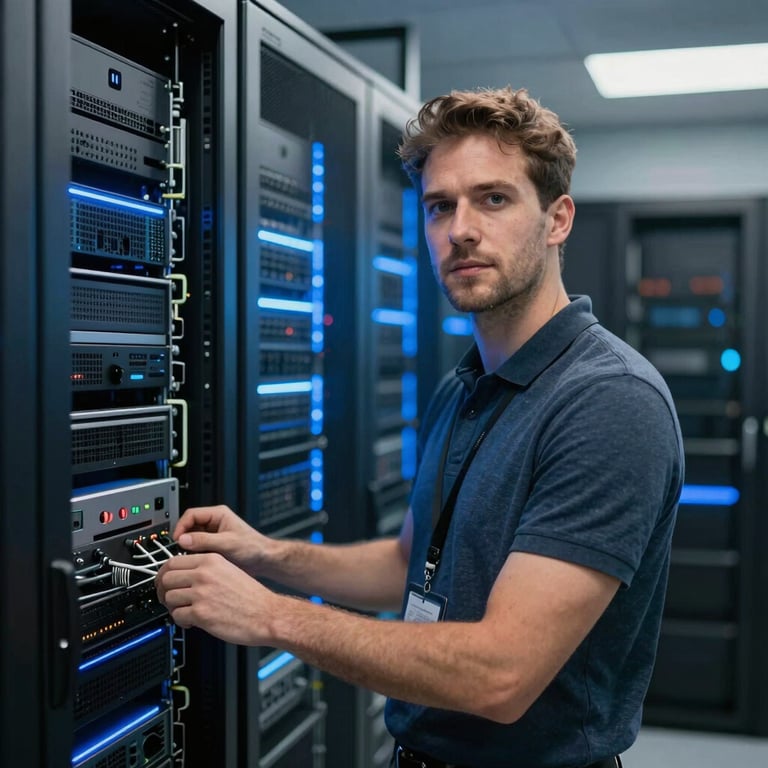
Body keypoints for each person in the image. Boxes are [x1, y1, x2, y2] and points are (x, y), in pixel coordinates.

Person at [156, 86, 684, 768]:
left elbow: (502, 675)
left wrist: (268, 616)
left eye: (493, 198)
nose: (461, 228)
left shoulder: (609, 402)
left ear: (558, 219)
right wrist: (268, 556)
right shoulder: (465, 386)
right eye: (440, 206)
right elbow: (410, 565)